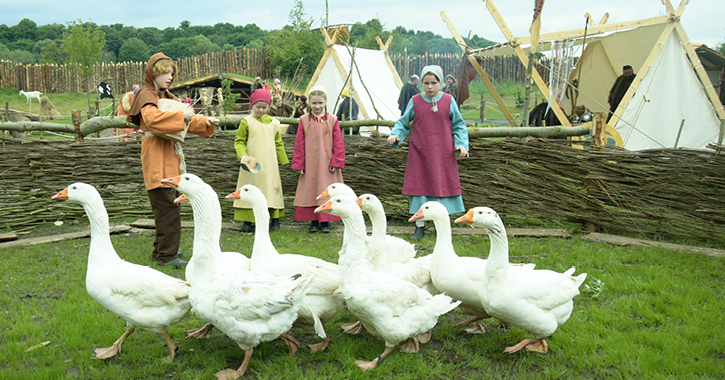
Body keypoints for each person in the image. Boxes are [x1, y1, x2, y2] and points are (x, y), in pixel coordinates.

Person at [127, 52, 219, 267]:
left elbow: (187, 120)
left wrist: (205, 121)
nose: (169, 77)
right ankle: (168, 256)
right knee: (167, 207)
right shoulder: (146, 94)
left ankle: (161, 252)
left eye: (171, 73)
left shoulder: (167, 97)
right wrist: (182, 117)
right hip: (157, 156)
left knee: (169, 206)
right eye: (164, 73)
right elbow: (152, 120)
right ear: (152, 73)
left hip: (169, 155)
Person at [387, 65, 469, 241]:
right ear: (421, 83)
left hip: (443, 154)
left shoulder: (448, 100)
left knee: (441, 186)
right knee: (419, 188)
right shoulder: (415, 101)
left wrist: (462, 144)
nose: (430, 87)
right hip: (420, 153)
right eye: (426, 83)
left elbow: (459, 125)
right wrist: (395, 135)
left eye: (434, 83)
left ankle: (442, 226)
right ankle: (419, 226)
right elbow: (403, 122)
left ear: (440, 83)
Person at [233, 89, 289, 233]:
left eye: (265, 107)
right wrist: (243, 156)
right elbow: (239, 141)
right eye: (258, 107)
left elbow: (278, 143)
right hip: (251, 164)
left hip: (270, 164)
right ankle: (248, 221)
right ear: (252, 105)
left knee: (271, 189)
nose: (261, 110)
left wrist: (283, 161)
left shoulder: (274, 123)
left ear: (269, 107)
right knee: (250, 188)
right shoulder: (246, 122)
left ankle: (274, 219)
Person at [291, 86, 346, 233]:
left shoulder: (332, 120)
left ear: (326, 102)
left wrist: (336, 161)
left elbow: (339, 143)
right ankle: (314, 220)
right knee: (311, 190)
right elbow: (299, 144)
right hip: (310, 163)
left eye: (320, 103)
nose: (317, 106)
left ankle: (326, 220)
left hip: (327, 164)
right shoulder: (303, 120)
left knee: (326, 190)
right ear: (309, 102)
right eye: (314, 103)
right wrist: (300, 164)